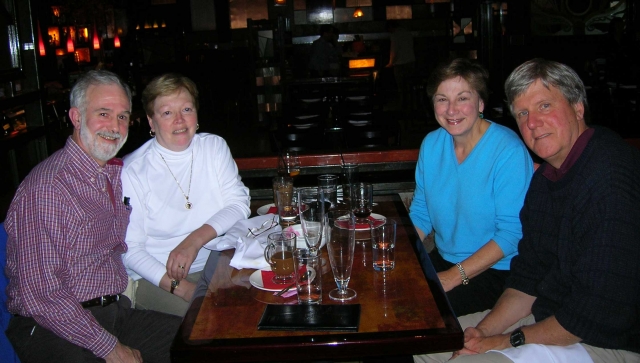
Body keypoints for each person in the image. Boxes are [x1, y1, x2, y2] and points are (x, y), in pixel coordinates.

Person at [415, 59, 640, 363]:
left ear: (578, 107)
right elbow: (528, 279)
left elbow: (592, 316)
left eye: (545, 106)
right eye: (523, 113)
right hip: (549, 314)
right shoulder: (548, 179)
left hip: (608, 338)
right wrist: (482, 332)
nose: (532, 123)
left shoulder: (609, 179)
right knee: (423, 345)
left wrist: (505, 340)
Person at [4, 70, 181, 363]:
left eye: (123, 116)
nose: (115, 126)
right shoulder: (49, 188)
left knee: (194, 344)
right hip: (51, 326)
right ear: (76, 117)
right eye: (104, 113)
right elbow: (42, 295)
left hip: (111, 313)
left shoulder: (110, 173)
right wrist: (110, 348)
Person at [409, 58, 533, 316]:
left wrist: (452, 277)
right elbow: (422, 212)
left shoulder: (507, 151)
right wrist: (400, 252)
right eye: (442, 99)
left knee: (417, 313)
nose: (451, 109)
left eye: (462, 98)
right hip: (445, 259)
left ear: (480, 103)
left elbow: (511, 234)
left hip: (497, 271)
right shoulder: (431, 145)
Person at [121, 73, 250, 316]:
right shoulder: (133, 171)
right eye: (167, 113)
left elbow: (239, 203)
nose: (179, 120)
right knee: (208, 321)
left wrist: (193, 241)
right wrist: (185, 289)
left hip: (220, 263)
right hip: (160, 278)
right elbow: (131, 250)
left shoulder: (213, 147)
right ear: (151, 121)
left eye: (187, 109)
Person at [385, 20, 416, 121]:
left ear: (390, 27)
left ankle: (403, 107)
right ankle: (411, 106)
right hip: (411, 62)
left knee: (401, 87)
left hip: (400, 64)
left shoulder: (395, 35)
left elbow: (394, 50)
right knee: (409, 86)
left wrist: (390, 62)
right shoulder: (407, 32)